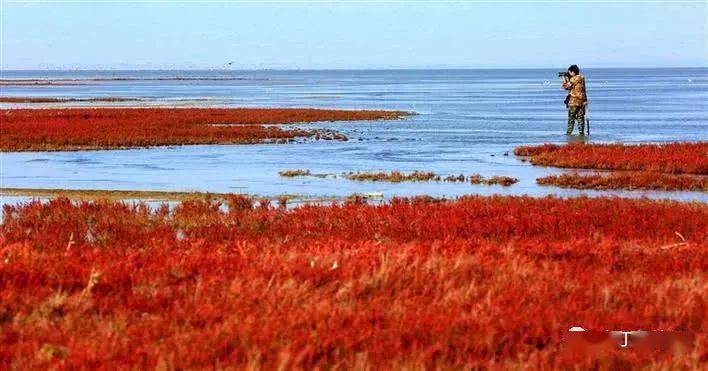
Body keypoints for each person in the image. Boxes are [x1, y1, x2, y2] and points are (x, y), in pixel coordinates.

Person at [562, 65, 587, 136]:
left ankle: (568, 134)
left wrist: (564, 79)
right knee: (580, 118)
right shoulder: (582, 78)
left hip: (573, 101)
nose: (569, 73)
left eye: (569, 72)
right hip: (582, 101)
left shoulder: (573, 79)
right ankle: (581, 133)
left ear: (573, 72)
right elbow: (583, 89)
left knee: (571, 119)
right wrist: (585, 100)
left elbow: (566, 87)